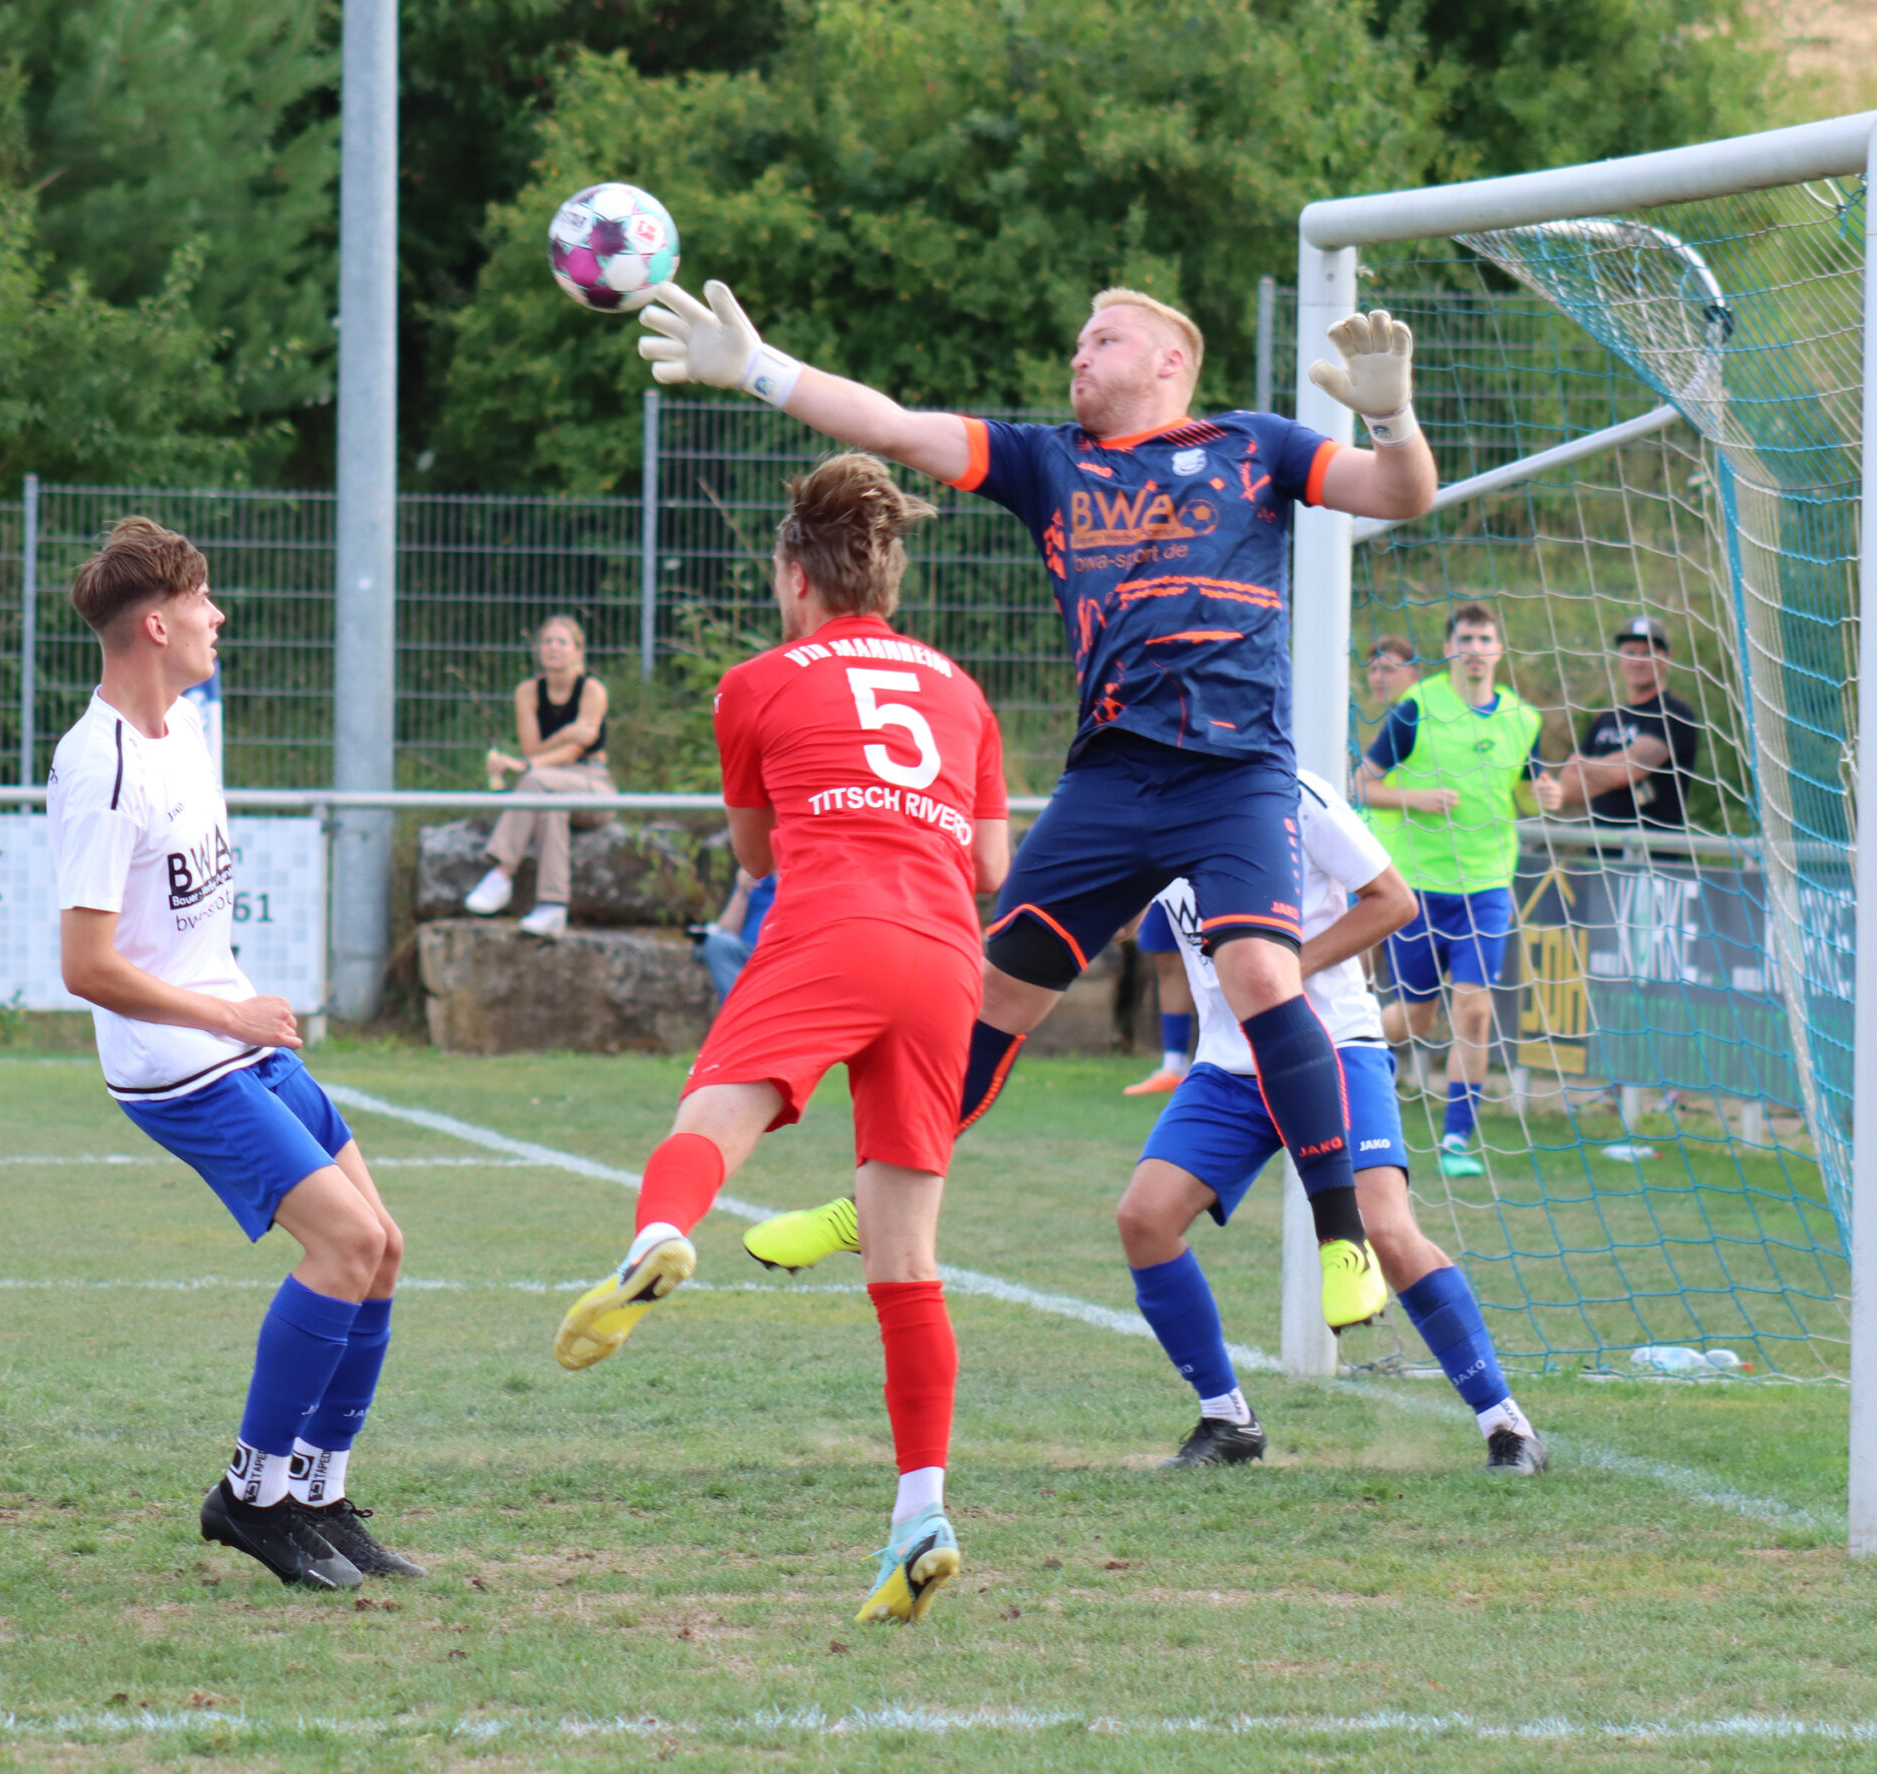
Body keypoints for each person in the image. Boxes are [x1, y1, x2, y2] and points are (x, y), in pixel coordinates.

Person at [639, 279, 1439, 1334]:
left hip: (1235, 771)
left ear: (1170, 361)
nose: (1078, 354)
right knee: (988, 997)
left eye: (1104, 338)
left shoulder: (1258, 446)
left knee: (1257, 971)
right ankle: (863, 1205)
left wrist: (1392, 417)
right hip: (1109, 776)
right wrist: (756, 368)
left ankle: (1342, 1236)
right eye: (1077, 340)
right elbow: (892, 427)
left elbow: (1400, 494)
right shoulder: (1047, 461)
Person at [551, 456, 1009, 1628]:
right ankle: (921, 1516)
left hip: (832, 927)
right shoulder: (961, 691)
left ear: (796, 576)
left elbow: (756, 859)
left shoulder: (756, 682)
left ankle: (659, 1236)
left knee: (713, 1119)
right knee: (905, 1254)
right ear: (887, 576)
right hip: (945, 954)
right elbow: (992, 865)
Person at [48, 518, 417, 1592]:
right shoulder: (99, 764)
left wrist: (237, 1007)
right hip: (179, 1065)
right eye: (202, 600)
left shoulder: (188, 728)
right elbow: (86, 965)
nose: (219, 615)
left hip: (229, 1036)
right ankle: (250, 1497)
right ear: (156, 626)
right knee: (345, 1242)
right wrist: (230, 1019)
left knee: (382, 1249)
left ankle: (317, 1491)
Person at [1120, 771, 1546, 1475]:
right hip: (1229, 1065)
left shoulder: (1296, 794)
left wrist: (1284, 979)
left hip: (1335, 1045)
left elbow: (1394, 900)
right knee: (1145, 1218)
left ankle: (1507, 1425)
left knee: (1384, 1229)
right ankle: (1228, 1419)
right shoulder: (1151, 800)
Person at [1354, 603, 1564, 1181]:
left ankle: (1456, 1139)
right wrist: (1415, 798)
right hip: (1418, 889)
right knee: (1416, 1019)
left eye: (1484, 638)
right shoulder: (1417, 708)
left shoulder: (1522, 718)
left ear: (1499, 649)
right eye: (1465, 638)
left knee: (1473, 1011)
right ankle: (1341, 1047)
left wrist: (1549, 796)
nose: (1475, 648)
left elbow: (1530, 790)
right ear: (1449, 649)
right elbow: (1362, 785)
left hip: (1487, 886)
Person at [466, 613, 614, 938]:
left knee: (535, 782)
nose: (553, 647)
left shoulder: (591, 690)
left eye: (562, 641)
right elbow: (532, 749)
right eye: (547, 641)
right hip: (550, 785)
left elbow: (572, 752)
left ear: (578, 650)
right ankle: (553, 906)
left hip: (592, 784)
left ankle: (503, 872)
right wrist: (566, 734)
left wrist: (528, 767)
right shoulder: (528, 692)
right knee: (550, 804)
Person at [1555, 616, 1704, 843]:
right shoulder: (1605, 720)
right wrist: (1614, 773)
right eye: (1630, 653)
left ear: (1667, 658)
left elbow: (1629, 769)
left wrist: (1584, 766)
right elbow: (1567, 787)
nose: (1637, 661)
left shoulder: (1675, 714)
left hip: (1654, 854)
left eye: (1647, 653)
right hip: (1601, 855)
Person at [1123, 901, 1196, 1097]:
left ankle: (1244, 1062)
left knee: (1228, 954)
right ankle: (1174, 1067)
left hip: (1217, 884)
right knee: (1168, 964)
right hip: (1163, 887)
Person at [691, 867, 777, 1001]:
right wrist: (742, 891)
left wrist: (781, 878)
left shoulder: (801, 875)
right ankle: (742, 1007)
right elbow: (727, 929)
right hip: (748, 952)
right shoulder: (756, 872)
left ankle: (748, 1007)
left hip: (780, 952)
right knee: (717, 944)